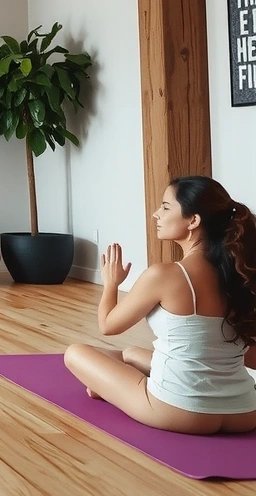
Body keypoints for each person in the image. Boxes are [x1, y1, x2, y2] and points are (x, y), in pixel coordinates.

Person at [64, 176, 256, 435]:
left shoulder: (164, 275)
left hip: (178, 411)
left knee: (75, 353)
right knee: (131, 352)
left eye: (166, 207)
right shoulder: (242, 275)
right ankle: (126, 365)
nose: (156, 214)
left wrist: (111, 283)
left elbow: (107, 325)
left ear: (193, 220)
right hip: (244, 412)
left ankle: (111, 386)